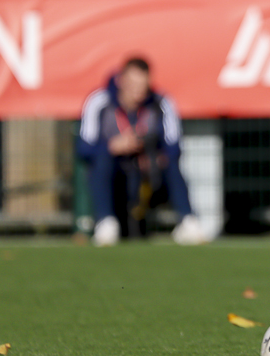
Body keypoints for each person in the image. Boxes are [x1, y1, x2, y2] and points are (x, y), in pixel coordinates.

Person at [77, 56, 209, 246]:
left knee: (171, 165)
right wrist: (113, 146)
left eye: (142, 85)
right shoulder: (99, 101)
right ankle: (106, 222)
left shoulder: (161, 102)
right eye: (132, 84)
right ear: (121, 81)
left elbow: (174, 147)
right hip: (114, 171)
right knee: (101, 160)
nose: (137, 91)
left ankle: (188, 221)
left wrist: (152, 156)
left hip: (149, 173)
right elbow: (84, 149)